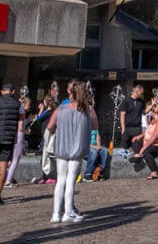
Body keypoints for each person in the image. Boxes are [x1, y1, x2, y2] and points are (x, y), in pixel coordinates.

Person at [47, 81, 95, 223]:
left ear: (71, 94)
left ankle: (56, 214)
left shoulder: (61, 109)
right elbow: (95, 126)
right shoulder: (88, 110)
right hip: (77, 149)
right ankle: (68, 212)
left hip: (61, 147)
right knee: (70, 180)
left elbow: (49, 126)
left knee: (60, 180)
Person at [0, 83, 24, 206]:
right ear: (13, 92)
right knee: (3, 168)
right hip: (8, 139)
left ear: (2, 91)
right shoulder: (18, 104)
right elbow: (20, 125)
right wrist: (16, 138)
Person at [130, 102, 158, 178]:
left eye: (151, 111)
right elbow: (148, 131)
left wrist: (144, 147)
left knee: (146, 151)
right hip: (152, 143)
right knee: (135, 140)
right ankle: (137, 156)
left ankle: (154, 172)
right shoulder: (154, 121)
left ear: (154, 112)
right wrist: (139, 136)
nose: (149, 113)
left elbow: (155, 136)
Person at [3, 95, 30, 187]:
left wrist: (29, 120)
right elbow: (21, 127)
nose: (29, 107)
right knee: (15, 159)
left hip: (13, 136)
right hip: (19, 137)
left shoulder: (15, 112)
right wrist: (26, 131)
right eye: (28, 105)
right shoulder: (21, 113)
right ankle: (8, 180)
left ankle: (0, 176)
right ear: (24, 105)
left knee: (11, 160)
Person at [119, 84, 145, 150]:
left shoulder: (141, 102)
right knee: (125, 148)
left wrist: (152, 105)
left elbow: (144, 112)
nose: (142, 95)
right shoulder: (126, 101)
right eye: (141, 93)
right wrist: (123, 129)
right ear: (137, 91)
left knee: (136, 148)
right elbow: (122, 115)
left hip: (137, 129)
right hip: (127, 128)